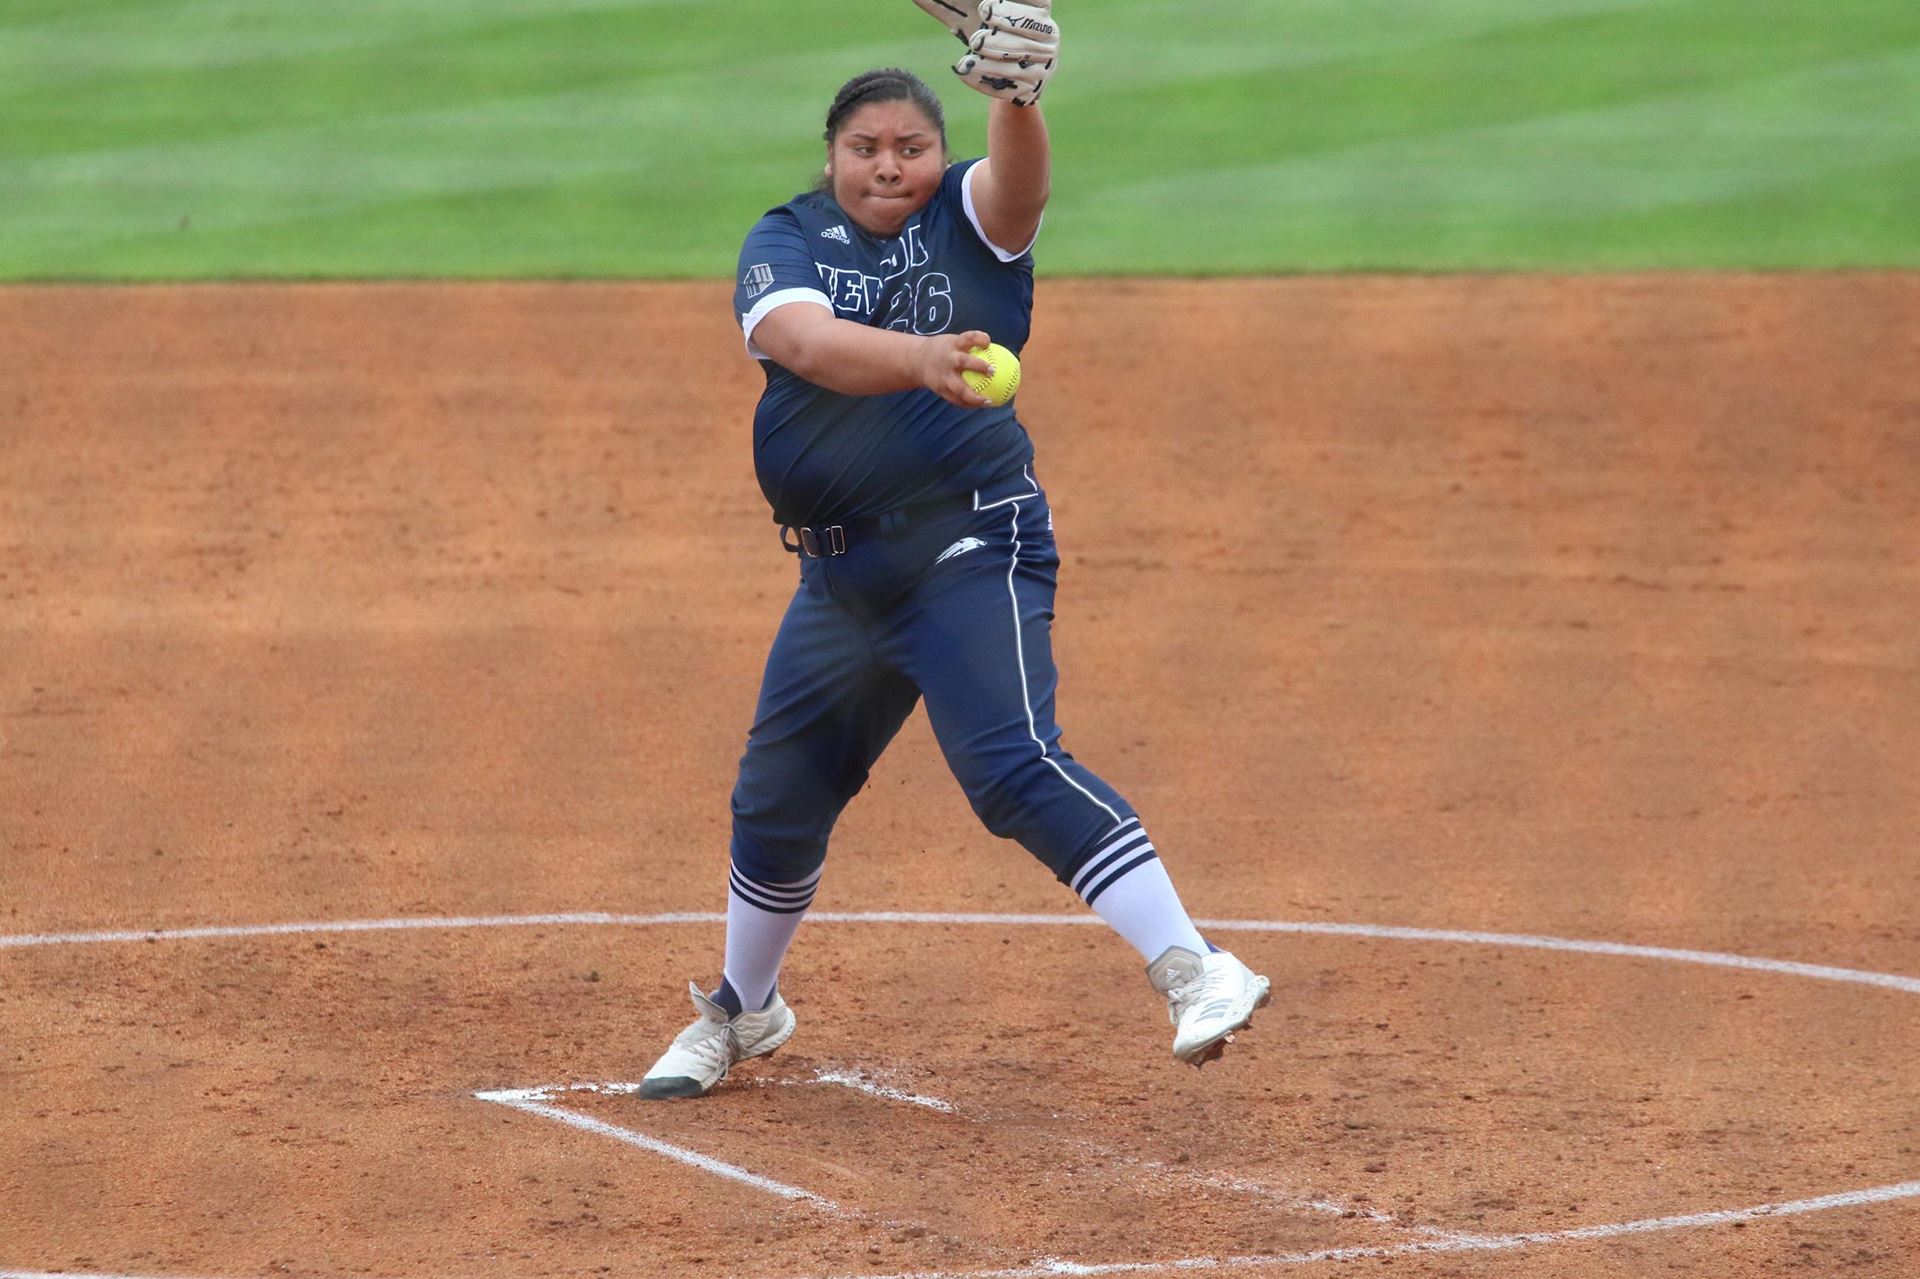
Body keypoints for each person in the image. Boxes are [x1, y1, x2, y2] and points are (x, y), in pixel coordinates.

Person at [640, 1, 1269, 1100]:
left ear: (941, 152)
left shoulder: (969, 224)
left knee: (1009, 765)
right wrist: (920, 356)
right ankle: (743, 1013)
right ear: (831, 156)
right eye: (866, 149)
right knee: (778, 794)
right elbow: (803, 343)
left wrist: (1017, 101)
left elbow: (1018, 187)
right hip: (842, 577)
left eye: (913, 148)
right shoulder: (785, 239)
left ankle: (1195, 967)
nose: (891, 166)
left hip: (973, 540)